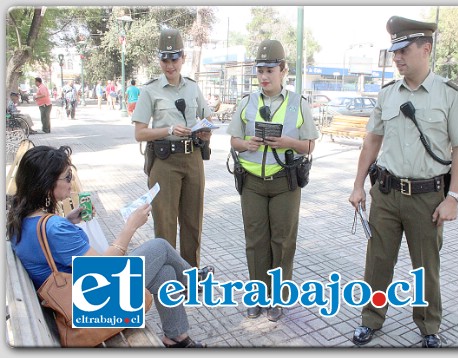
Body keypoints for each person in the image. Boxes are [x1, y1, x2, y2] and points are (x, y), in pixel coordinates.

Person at [348, 16, 458, 348]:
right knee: (377, 262)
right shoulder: (388, 94)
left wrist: (454, 198)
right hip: (387, 194)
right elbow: (371, 143)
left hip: (428, 198)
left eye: (404, 50)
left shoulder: (450, 95)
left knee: (426, 267)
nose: (398, 58)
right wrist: (357, 185)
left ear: (426, 49)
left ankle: (428, 326)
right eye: (395, 52)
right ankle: (371, 319)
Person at [7, 145, 214, 348]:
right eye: (67, 177)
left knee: (166, 272)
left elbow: (47, 246)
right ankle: (194, 280)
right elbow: (101, 269)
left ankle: (177, 337)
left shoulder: (24, 219)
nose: (71, 182)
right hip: (92, 306)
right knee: (159, 246)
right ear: (46, 183)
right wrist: (131, 226)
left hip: (75, 300)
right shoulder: (54, 228)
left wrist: (68, 221)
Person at [226, 39, 319, 322]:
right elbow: (233, 140)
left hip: (284, 183)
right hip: (252, 182)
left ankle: (277, 298)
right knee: (255, 241)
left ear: (283, 70)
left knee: (282, 241)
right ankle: (257, 295)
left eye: (270, 70)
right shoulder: (247, 102)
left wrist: (289, 141)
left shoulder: (298, 104)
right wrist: (246, 144)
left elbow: (310, 145)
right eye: (260, 71)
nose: (264, 76)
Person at [132, 28, 212, 269]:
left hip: (193, 158)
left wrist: (205, 130)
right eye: (165, 59)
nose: (169, 65)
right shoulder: (150, 90)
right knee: (165, 224)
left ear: (183, 58)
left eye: (174, 58)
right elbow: (140, 133)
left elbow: (207, 117)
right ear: (159, 60)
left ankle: (190, 273)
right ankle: (168, 278)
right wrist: (168, 130)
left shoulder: (192, 87)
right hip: (165, 162)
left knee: (192, 222)